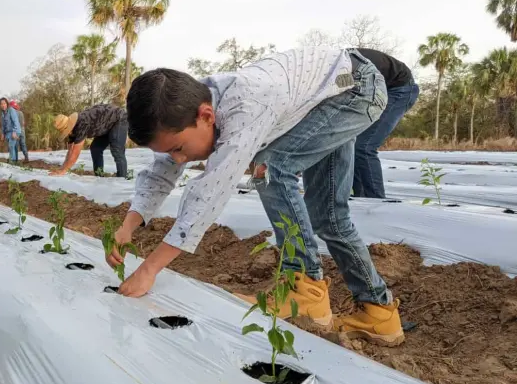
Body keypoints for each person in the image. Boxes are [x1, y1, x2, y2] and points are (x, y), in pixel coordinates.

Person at [106, 48, 404, 347]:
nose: (178, 159)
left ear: (206, 116)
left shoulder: (246, 107)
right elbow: (161, 172)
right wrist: (128, 227)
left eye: (179, 148)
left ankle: (305, 288)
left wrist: (149, 269)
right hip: (336, 91)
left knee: (271, 169)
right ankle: (379, 312)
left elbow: (209, 195)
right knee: (327, 213)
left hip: (355, 89)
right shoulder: (182, 109)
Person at [352, 49, 420, 198]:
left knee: (364, 145)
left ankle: (376, 201)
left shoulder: (346, 66)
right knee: (350, 142)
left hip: (400, 90)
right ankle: (358, 198)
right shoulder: (335, 67)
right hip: (379, 89)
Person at [49, 104, 129, 178]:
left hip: (119, 118)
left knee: (117, 150)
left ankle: (122, 178)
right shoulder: (72, 131)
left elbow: (75, 153)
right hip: (105, 126)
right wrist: (62, 168)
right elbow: (70, 151)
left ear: (69, 126)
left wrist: (63, 171)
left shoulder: (82, 124)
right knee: (95, 148)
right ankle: (99, 176)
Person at [0, 98, 22, 163]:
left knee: (11, 145)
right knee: (12, 146)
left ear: (7, 104)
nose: (3, 105)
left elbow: (15, 121)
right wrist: (3, 133)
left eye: (4, 103)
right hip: (8, 132)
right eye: (1, 104)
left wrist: (14, 132)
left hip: (15, 130)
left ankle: (11, 160)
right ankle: (14, 160)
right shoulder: (2, 113)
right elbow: (3, 124)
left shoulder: (11, 110)